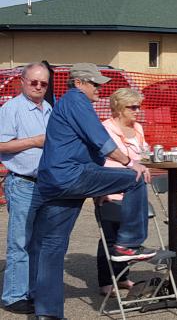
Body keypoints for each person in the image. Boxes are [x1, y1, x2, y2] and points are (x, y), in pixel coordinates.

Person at [30, 63, 155, 319]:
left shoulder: (67, 103)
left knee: (52, 246)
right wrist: (130, 162)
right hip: (71, 176)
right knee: (133, 178)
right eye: (94, 83)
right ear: (79, 83)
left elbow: (92, 143)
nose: (99, 88)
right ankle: (128, 244)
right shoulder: (76, 100)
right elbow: (100, 139)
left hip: (55, 181)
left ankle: (48, 313)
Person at [0, 62, 52, 315]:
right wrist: (35, 141)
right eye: (34, 82)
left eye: (43, 83)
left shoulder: (48, 108)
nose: (39, 87)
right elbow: (1, 145)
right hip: (22, 182)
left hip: (44, 184)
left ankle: (31, 290)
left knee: (38, 243)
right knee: (20, 242)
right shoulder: (12, 108)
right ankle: (13, 296)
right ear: (22, 81)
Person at [97, 88, 149, 297]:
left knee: (127, 238)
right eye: (133, 107)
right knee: (110, 236)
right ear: (119, 108)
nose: (137, 111)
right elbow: (106, 157)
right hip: (111, 189)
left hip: (134, 190)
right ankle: (106, 281)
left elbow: (143, 151)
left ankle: (123, 277)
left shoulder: (137, 128)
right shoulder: (105, 129)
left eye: (139, 106)